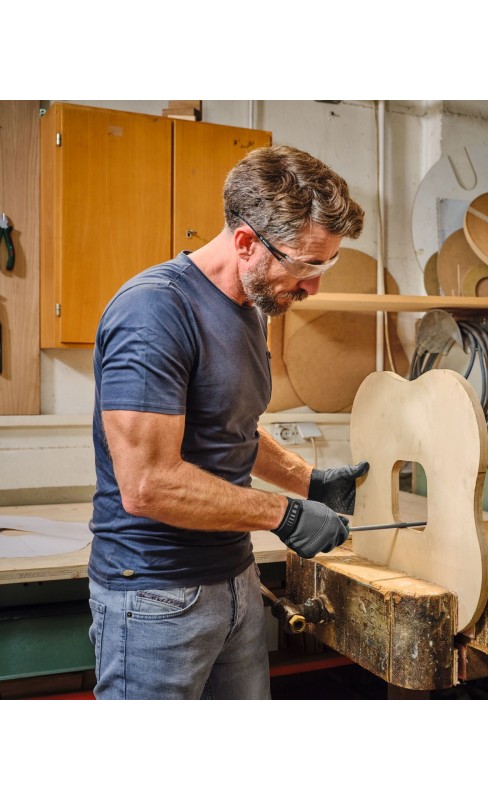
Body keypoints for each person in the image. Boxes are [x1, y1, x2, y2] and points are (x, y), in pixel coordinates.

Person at [87, 145, 369, 699]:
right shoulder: (155, 311)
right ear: (245, 243)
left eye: (326, 265)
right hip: (157, 594)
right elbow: (147, 484)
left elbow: (229, 425)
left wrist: (309, 482)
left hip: (235, 577)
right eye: (306, 265)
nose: (314, 286)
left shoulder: (249, 308)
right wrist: (283, 514)